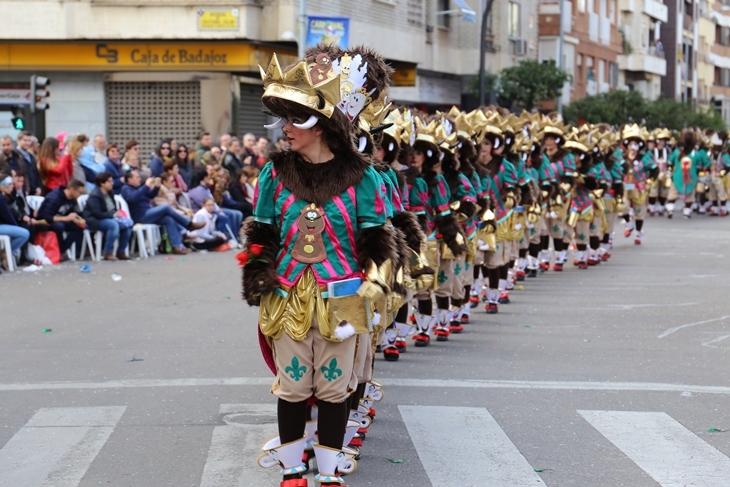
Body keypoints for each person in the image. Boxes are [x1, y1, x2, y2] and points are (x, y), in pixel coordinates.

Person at [243, 49, 399, 487]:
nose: (285, 129)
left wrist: (376, 283)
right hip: (287, 294)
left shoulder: (364, 176)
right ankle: (293, 471)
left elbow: (376, 237)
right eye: (284, 120)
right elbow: (263, 232)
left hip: (344, 297)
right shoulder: (273, 174)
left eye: (295, 120)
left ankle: (329, 475)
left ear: (323, 123)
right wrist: (259, 275)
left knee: (334, 389)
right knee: (292, 387)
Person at [120, 170, 204, 255]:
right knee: (166, 208)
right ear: (130, 180)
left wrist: (156, 187)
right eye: (137, 177)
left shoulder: (138, 188)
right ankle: (188, 225)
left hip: (148, 213)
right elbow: (133, 198)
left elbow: (150, 195)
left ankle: (177, 246)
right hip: (140, 216)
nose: (139, 179)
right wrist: (146, 186)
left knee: (168, 219)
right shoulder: (126, 189)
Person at [83, 172, 132, 261]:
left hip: (107, 217)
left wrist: (117, 214)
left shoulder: (110, 192)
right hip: (95, 219)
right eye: (109, 181)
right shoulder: (95, 195)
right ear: (102, 183)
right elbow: (97, 213)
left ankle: (121, 251)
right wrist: (113, 215)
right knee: (113, 225)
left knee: (127, 225)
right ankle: (108, 252)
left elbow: (112, 208)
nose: (112, 183)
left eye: (112, 181)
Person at [36, 179, 86, 259]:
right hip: (44, 222)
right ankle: (60, 251)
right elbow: (47, 217)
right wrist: (67, 218)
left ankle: (61, 250)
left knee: (79, 227)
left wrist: (76, 220)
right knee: (59, 226)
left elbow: (69, 213)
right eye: (80, 192)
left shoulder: (71, 198)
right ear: (72, 190)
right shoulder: (55, 198)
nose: (81, 195)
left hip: (61, 219)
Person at [188, 170, 241, 236]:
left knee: (237, 214)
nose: (209, 178)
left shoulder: (205, 188)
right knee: (224, 217)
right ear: (204, 178)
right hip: (205, 211)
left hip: (214, 208)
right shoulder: (198, 190)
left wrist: (218, 209)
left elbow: (212, 201)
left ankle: (234, 236)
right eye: (208, 177)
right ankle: (226, 237)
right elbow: (205, 205)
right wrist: (218, 211)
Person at [0, 171, 30, 269]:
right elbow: (8, 216)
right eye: (9, 184)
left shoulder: (5, 196)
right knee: (24, 233)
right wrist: (15, 227)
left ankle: (6, 253)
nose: (12, 186)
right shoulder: (1, 198)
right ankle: (6, 253)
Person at [15, 131, 43, 195]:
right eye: (25, 140)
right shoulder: (14, 155)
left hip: (34, 192)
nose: (27, 143)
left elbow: (36, 173)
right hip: (21, 192)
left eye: (29, 140)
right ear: (18, 141)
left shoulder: (31, 156)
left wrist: (39, 187)